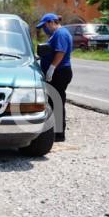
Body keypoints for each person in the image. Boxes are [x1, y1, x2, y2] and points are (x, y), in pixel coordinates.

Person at [36, 13, 72, 142]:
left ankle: (58, 134)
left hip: (59, 72)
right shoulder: (55, 35)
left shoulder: (60, 33)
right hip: (58, 71)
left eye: (45, 26)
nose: (44, 29)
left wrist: (52, 68)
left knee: (56, 101)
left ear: (51, 22)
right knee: (52, 101)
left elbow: (60, 52)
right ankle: (54, 131)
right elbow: (51, 51)